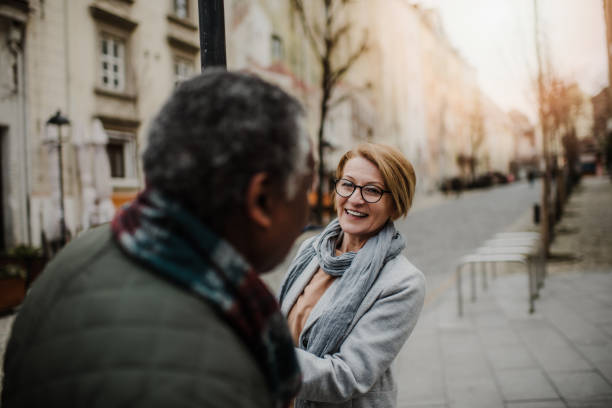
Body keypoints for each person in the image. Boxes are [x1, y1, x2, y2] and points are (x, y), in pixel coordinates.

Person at [2, 70, 313, 408]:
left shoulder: (71, 260)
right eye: (306, 189)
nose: (308, 210)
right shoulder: (219, 374)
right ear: (262, 200)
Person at [279, 143, 426, 408]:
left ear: (395, 204)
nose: (355, 199)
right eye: (347, 184)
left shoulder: (402, 283)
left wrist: (266, 357)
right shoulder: (310, 250)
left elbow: (348, 376)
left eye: (372, 190)